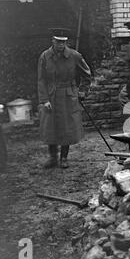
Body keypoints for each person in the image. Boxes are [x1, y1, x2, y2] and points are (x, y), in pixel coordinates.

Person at [38, 28, 92, 169]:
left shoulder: (74, 56)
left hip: (68, 96)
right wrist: (44, 99)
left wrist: (82, 92)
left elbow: (87, 75)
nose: (61, 45)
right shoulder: (45, 56)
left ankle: (64, 158)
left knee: (66, 127)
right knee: (51, 127)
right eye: (58, 42)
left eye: (64, 42)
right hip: (51, 95)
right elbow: (41, 79)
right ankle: (52, 158)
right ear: (53, 41)